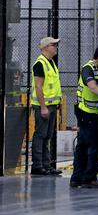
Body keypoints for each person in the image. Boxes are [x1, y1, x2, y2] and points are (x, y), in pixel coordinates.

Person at [71, 47, 98, 189]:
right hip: (86, 113)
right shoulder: (88, 68)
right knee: (95, 145)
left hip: (90, 113)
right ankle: (89, 178)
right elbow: (93, 87)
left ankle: (77, 178)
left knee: (82, 145)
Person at [29, 36, 62, 176]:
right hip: (43, 106)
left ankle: (46, 165)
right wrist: (43, 107)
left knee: (47, 135)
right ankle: (37, 166)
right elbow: (38, 86)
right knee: (40, 135)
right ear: (46, 47)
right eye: (53, 45)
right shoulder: (40, 63)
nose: (56, 47)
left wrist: (57, 102)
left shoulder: (51, 63)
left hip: (52, 105)